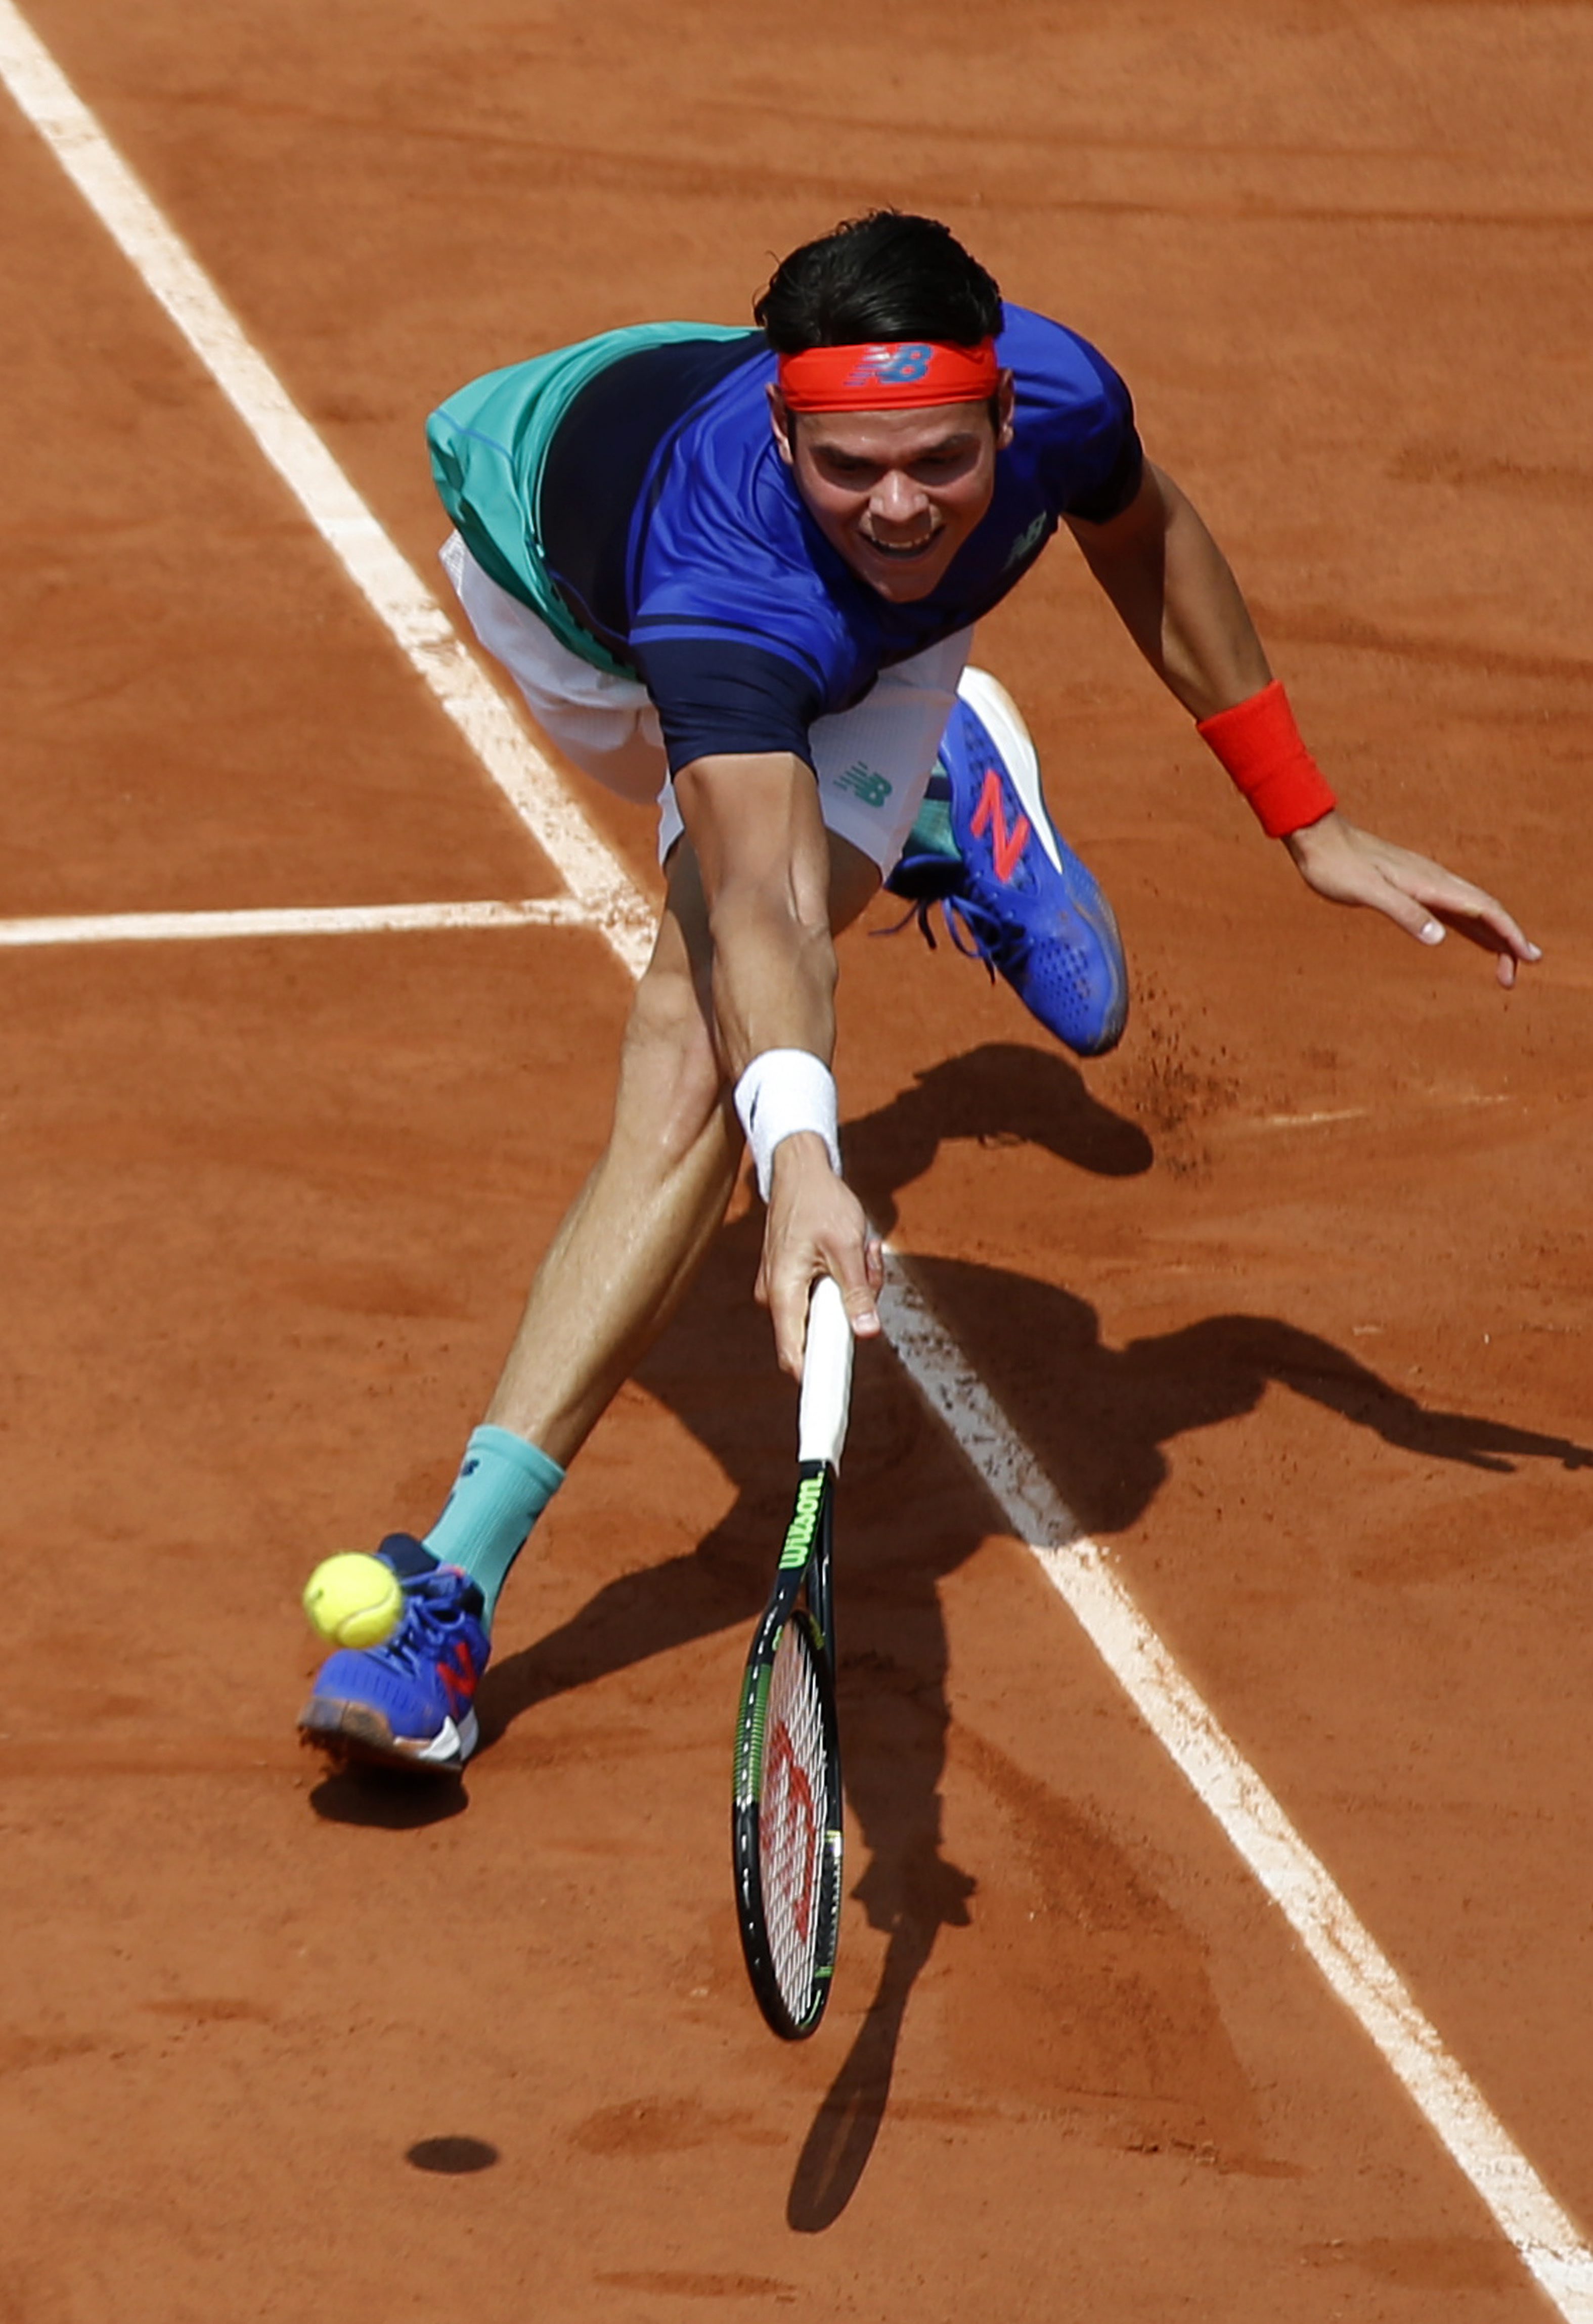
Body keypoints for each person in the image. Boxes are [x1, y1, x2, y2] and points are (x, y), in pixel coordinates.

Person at [298, 210, 1537, 1775]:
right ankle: (941, 795)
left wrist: (1310, 819)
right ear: (782, 427)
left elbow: (1146, 532)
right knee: (757, 917)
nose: (901, 504)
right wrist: (808, 1160)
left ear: (1009, 412)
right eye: (852, 465)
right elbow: (764, 899)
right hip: (569, 605)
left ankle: (451, 1590)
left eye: (944, 460)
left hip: (867, 654)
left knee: (686, 1051)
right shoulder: (723, 580)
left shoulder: (1060, 398)